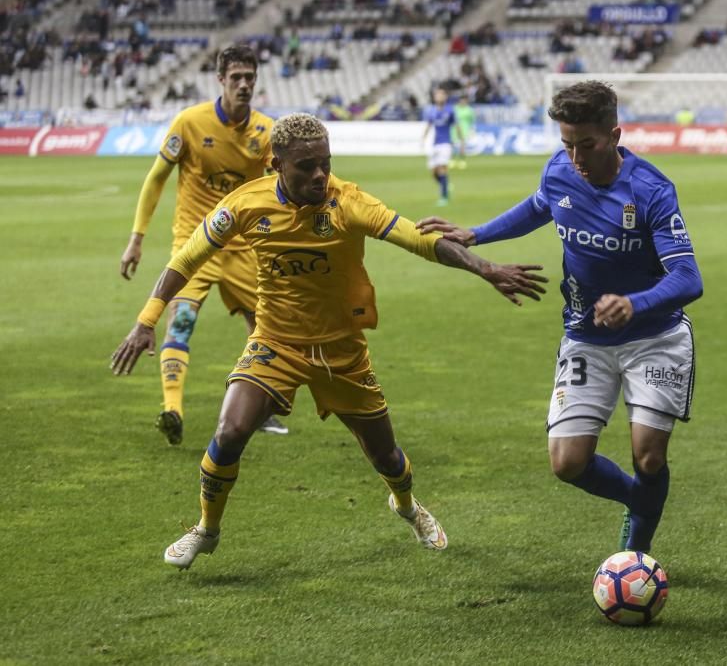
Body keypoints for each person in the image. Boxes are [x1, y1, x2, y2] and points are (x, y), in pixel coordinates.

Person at [110, 113, 548, 569]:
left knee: (386, 455)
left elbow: (418, 239)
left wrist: (486, 269)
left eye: (325, 162)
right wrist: (146, 320)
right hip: (275, 343)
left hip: (342, 350)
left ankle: (406, 505)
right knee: (230, 432)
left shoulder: (348, 201)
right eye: (306, 166)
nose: (320, 175)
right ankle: (206, 528)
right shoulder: (245, 204)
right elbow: (187, 258)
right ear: (277, 164)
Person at [418, 81, 703, 555]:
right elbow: (539, 207)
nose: (575, 158)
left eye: (585, 145)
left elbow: (688, 278)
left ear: (614, 134)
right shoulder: (559, 170)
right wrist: (476, 234)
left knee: (648, 456)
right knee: (568, 464)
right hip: (586, 336)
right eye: (566, 144)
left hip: (654, 336)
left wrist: (636, 302)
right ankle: (642, 502)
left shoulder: (651, 190)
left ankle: (637, 555)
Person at [118, 44, 288, 445]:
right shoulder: (189, 123)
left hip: (244, 246)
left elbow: (278, 189)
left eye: (250, 77)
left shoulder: (266, 131)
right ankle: (172, 409)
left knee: (263, 328)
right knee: (182, 319)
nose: (244, 84)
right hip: (194, 243)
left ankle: (257, 408)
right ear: (220, 80)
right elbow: (156, 178)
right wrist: (136, 239)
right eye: (236, 78)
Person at [422, 87, 463, 206]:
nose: (438, 97)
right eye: (437, 95)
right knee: (434, 172)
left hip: (446, 143)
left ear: (445, 97)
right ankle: (445, 184)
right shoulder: (432, 111)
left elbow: (457, 126)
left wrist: (461, 142)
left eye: (441, 95)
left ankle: (444, 197)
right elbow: (429, 125)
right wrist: (423, 138)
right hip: (435, 144)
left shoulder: (450, 110)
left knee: (442, 168)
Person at [450, 93, 475, 170]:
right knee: (452, 145)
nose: (463, 102)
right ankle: (451, 160)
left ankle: (462, 161)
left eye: (464, 101)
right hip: (454, 128)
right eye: (461, 101)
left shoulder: (469, 110)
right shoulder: (454, 109)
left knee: (462, 145)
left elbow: (472, 121)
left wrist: (472, 130)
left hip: (464, 129)